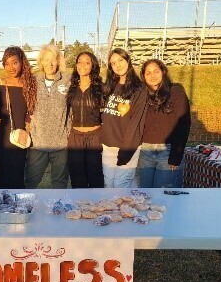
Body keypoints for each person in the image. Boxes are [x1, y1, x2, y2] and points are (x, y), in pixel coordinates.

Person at [137, 59, 191, 188]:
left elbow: (183, 124)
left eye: (156, 71)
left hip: (168, 152)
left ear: (163, 72)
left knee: (165, 197)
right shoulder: (141, 94)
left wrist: (176, 156)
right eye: (148, 73)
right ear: (143, 76)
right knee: (146, 195)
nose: (152, 76)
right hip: (145, 151)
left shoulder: (176, 91)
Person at [25, 44, 71, 189]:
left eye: (53, 59)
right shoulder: (33, 80)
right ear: (41, 62)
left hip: (61, 144)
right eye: (46, 60)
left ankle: (57, 211)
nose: (50, 64)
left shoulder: (68, 80)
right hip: (38, 143)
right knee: (30, 182)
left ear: (59, 61)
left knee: (59, 184)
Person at [100, 48, 148, 188]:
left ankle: (129, 208)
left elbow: (135, 123)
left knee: (121, 185)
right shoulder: (109, 87)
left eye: (120, 60)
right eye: (113, 63)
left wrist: (126, 151)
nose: (118, 65)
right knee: (109, 184)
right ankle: (134, 205)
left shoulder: (139, 89)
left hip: (127, 145)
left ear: (128, 60)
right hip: (108, 145)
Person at [0, 46, 37, 189]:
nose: (11, 67)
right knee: (4, 175)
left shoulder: (29, 85)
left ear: (22, 62)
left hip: (22, 135)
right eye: (7, 64)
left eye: (14, 62)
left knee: (18, 176)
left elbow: (31, 112)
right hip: (4, 136)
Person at [65, 51, 105, 188]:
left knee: (95, 176)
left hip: (95, 137)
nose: (82, 65)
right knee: (77, 177)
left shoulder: (101, 87)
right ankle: (78, 207)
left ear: (93, 66)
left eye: (87, 62)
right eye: (79, 62)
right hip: (75, 137)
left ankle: (96, 207)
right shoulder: (71, 87)